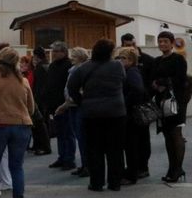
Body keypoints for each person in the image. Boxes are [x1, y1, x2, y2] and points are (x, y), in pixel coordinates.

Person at [67, 39, 125, 192]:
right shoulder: (118, 66)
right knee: (115, 150)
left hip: (92, 113)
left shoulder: (83, 68)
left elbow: (72, 87)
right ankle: (115, 183)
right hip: (116, 112)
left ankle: (96, 183)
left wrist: (82, 102)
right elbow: (123, 81)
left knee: (95, 150)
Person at [0, 47, 34, 198]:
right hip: (21, 124)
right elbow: (31, 107)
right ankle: (18, 195)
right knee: (17, 167)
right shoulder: (23, 81)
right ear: (16, 62)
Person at [150, 30, 188, 183]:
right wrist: (155, 85)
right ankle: (172, 168)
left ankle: (177, 169)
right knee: (167, 136)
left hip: (175, 102)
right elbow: (151, 77)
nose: (162, 44)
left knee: (175, 134)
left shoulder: (178, 59)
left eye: (165, 41)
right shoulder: (157, 60)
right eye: (160, 41)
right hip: (161, 102)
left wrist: (161, 83)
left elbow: (180, 79)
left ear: (172, 43)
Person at [119, 33, 152, 177]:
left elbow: (142, 87)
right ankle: (137, 168)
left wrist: (127, 103)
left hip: (138, 108)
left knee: (139, 141)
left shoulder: (142, 63)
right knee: (134, 141)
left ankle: (140, 168)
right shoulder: (125, 68)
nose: (130, 47)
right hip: (134, 107)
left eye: (131, 44)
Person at [54, 47, 89, 178]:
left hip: (76, 105)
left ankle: (87, 165)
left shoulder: (80, 70)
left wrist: (66, 104)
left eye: (74, 55)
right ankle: (84, 164)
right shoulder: (75, 70)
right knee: (79, 136)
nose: (71, 57)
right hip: (72, 105)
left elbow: (77, 90)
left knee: (82, 137)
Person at [113, 46, 145, 185]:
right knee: (129, 145)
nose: (120, 60)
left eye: (123, 58)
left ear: (131, 60)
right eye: (118, 58)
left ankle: (132, 174)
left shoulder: (131, 72)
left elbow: (138, 90)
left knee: (131, 146)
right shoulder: (126, 71)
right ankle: (131, 172)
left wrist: (124, 103)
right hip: (128, 113)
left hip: (130, 115)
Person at [43, 41, 74, 171]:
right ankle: (62, 157)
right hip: (54, 105)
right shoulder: (52, 66)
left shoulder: (69, 65)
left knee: (68, 133)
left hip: (65, 104)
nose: (54, 54)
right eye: (53, 51)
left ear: (64, 52)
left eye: (56, 51)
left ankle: (69, 159)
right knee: (60, 133)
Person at [28, 48, 51, 156]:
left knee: (39, 124)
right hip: (44, 99)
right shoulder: (47, 66)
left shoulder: (40, 68)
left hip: (39, 99)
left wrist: (35, 99)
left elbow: (38, 86)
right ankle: (39, 145)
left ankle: (43, 146)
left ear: (36, 56)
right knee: (42, 123)